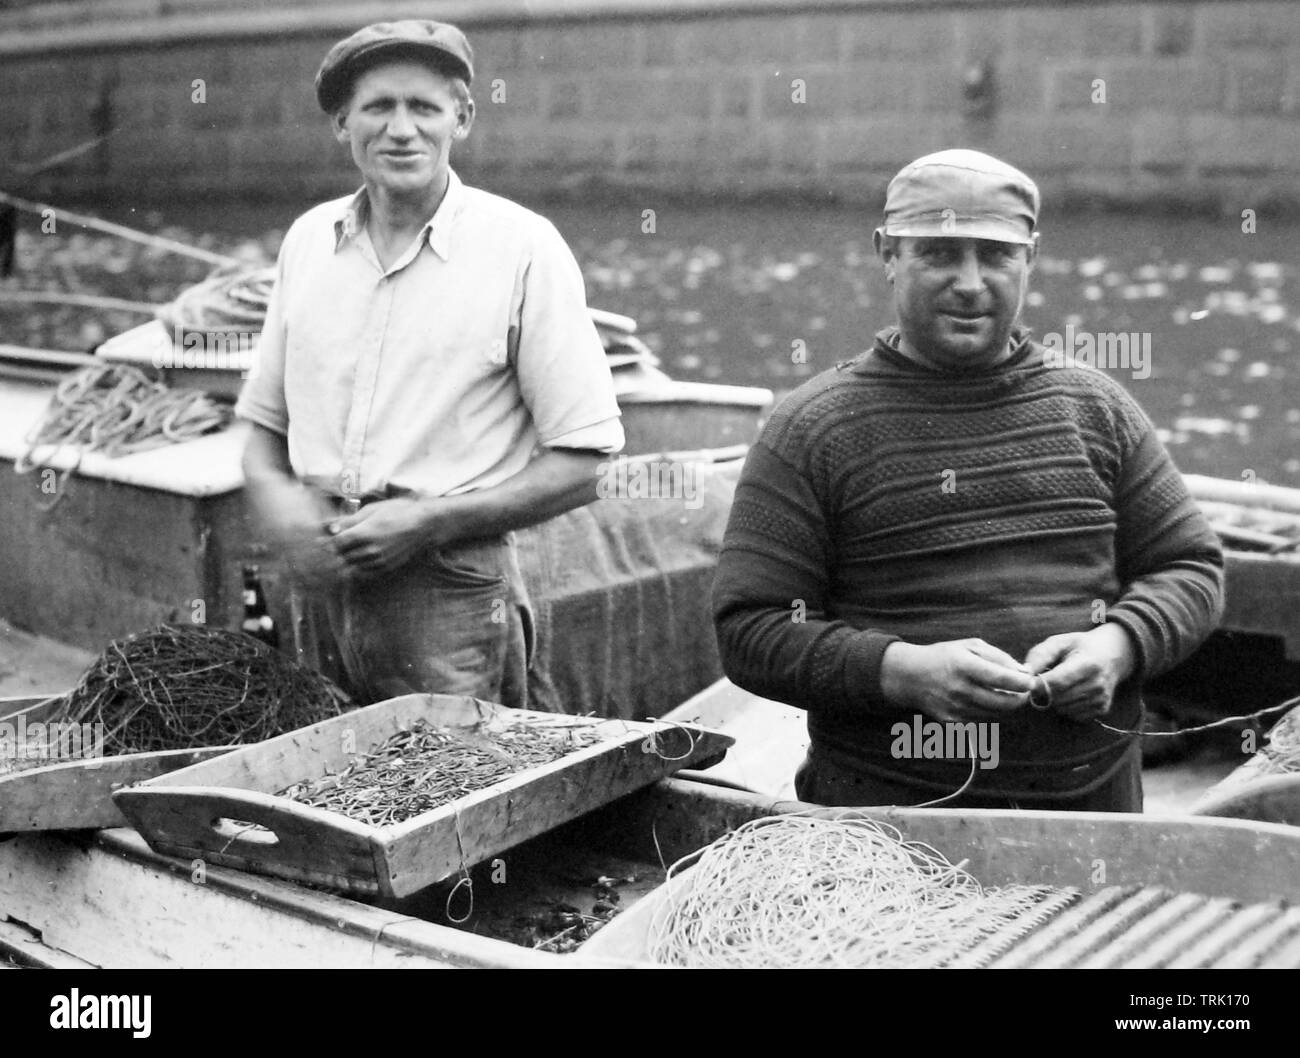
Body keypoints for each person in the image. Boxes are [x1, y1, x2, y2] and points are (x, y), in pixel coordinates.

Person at [712, 149, 1223, 812]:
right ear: (887, 254)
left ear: (1031, 259)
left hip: (1096, 815)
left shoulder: (1097, 408)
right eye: (940, 254)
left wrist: (1117, 645)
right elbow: (749, 628)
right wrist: (902, 673)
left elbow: (1193, 568)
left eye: (996, 255)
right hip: (889, 825)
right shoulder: (812, 428)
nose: (971, 283)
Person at [235, 21, 624, 709]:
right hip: (319, 580)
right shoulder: (306, 242)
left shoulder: (522, 248)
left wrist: (427, 523)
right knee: (321, 781)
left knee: (452, 793)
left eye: (424, 107)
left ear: (462, 118)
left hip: (449, 588)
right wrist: (290, 517)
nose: (401, 129)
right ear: (342, 124)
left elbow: (589, 463)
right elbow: (263, 435)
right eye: (378, 107)